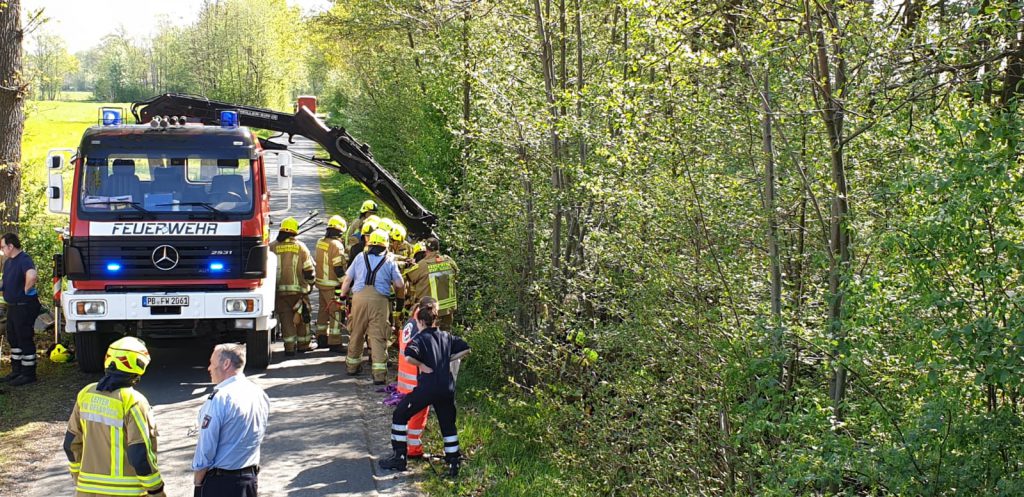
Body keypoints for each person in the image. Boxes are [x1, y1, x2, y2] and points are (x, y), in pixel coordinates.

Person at [64, 337, 167, 497]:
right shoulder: (133, 401)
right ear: (139, 366)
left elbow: (70, 443)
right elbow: (139, 454)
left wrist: (79, 477)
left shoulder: (86, 394)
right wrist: (156, 490)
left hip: (86, 491)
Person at [379, 299, 471, 477]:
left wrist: (422, 365)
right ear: (434, 321)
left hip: (428, 387)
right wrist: (447, 359)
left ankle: (399, 456)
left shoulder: (420, 338)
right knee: (448, 424)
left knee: (400, 414)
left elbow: (409, 357)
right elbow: (465, 348)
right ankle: (453, 463)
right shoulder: (446, 336)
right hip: (447, 387)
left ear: (420, 321)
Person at [193, 343, 270, 497]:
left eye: (212, 363)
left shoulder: (219, 398)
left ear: (226, 364)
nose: (209, 368)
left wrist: (198, 481)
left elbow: (207, 446)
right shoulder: (259, 393)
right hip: (249, 480)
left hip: (221, 484)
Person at [339, 229, 405, 384]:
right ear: (385, 244)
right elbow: (399, 284)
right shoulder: (389, 261)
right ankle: (379, 375)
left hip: (359, 299)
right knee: (378, 335)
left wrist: (343, 297)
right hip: (379, 301)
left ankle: (352, 367)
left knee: (356, 331)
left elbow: (347, 280)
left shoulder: (360, 257)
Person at [270, 217, 315, 356]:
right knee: (302, 317)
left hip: (278, 292)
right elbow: (308, 270)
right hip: (299, 293)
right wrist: (311, 284)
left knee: (286, 319)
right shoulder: (301, 247)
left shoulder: (272, 247)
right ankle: (304, 345)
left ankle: (289, 348)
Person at [0, 233, 41, 386]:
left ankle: (28, 373)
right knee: (13, 337)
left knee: (24, 337)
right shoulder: (9, 262)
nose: (2, 250)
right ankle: (16, 371)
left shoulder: (24, 259)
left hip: (24, 306)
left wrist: (25, 290)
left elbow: (32, 275)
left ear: (11, 246)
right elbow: (6, 281)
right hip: (13, 306)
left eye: (3, 246)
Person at [403, 237, 459, 330]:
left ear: (426, 250)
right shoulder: (449, 261)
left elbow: (408, 277)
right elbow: (456, 274)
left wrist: (409, 264)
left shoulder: (423, 265)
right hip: (448, 310)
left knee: (429, 338)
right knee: (444, 337)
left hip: (431, 311)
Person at [314, 215, 348, 352]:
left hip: (321, 283)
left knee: (323, 311)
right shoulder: (337, 245)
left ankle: (321, 338)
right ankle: (335, 342)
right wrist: (346, 284)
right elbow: (338, 268)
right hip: (332, 284)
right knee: (336, 312)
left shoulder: (320, 242)